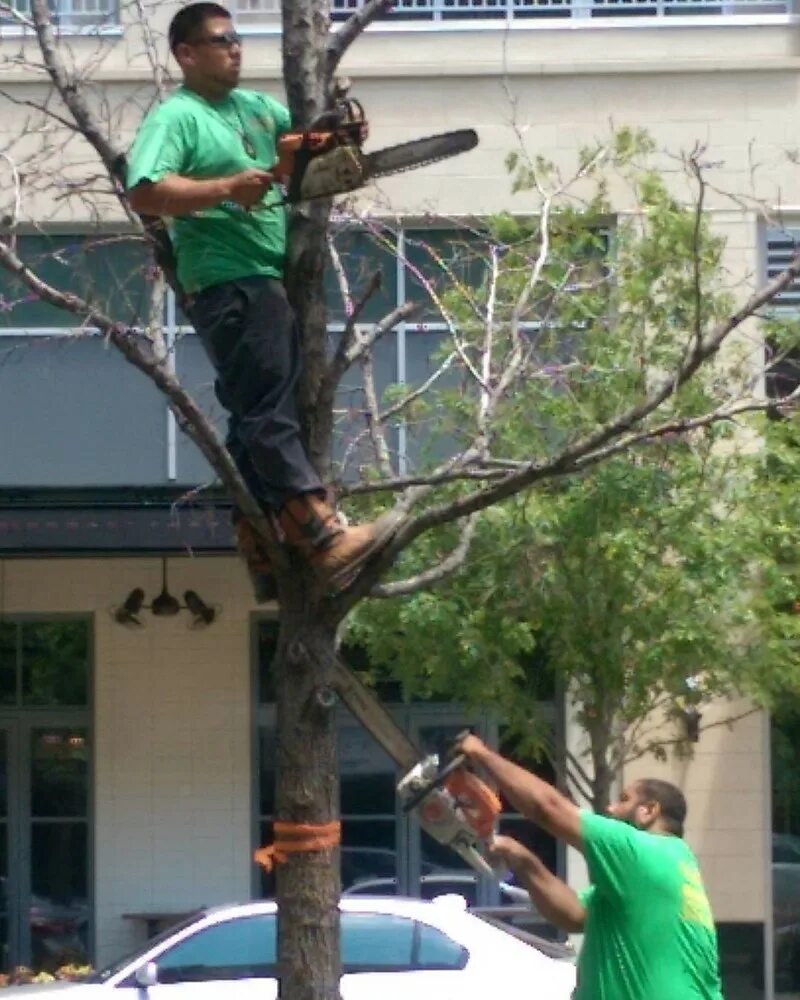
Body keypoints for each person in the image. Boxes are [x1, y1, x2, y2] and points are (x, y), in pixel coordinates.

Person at [125, 2, 397, 589]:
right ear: (187, 53)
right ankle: (317, 533)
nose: (234, 49)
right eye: (220, 41)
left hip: (263, 276)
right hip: (229, 279)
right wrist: (226, 187)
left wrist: (331, 138)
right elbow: (145, 192)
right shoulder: (178, 117)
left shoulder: (253, 108)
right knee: (268, 409)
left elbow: (297, 146)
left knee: (257, 408)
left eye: (237, 39)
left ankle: (259, 539)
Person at [456, 734, 724, 1000]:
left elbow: (547, 808)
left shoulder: (640, 851)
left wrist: (481, 754)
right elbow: (574, 914)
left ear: (648, 811)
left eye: (623, 799)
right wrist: (521, 858)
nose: (610, 807)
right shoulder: (670, 864)